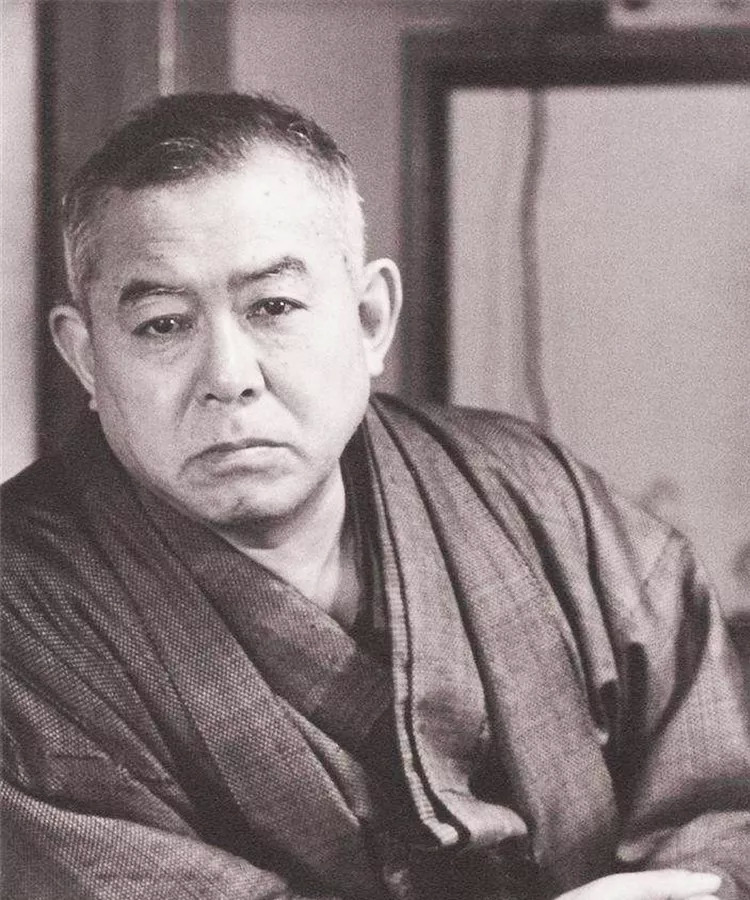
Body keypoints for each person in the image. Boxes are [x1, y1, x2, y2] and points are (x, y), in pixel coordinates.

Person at [1, 92, 747, 900]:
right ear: (85, 357)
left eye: (273, 307)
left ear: (370, 318)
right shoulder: (25, 612)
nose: (229, 377)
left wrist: (693, 884)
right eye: (162, 324)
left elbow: (722, 797)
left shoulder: (530, 493)